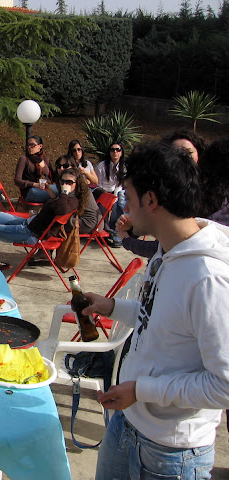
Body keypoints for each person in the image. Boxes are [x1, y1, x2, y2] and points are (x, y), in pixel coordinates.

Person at [82, 142, 229, 480]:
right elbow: (158, 318)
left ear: (151, 201)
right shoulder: (168, 250)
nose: (125, 209)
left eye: (130, 199)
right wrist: (112, 306)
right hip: (127, 424)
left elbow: (223, 385)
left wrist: (141, 390)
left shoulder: (208, 277)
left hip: (172, 452)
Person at [0, 166, 89, 267]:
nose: (65, 185)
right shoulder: (64, 198)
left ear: (77, 184)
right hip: (30, 222)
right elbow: (55, 207)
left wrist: (64, 192)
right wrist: (50, 194)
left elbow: (61, 209)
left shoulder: (72, 200)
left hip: (31, 233)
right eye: (62, 181)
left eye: (69, 182)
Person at [52, 155, 101, 234]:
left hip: (89, 223)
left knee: (53, 221)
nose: (61, 169)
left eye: (65, 166)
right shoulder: (68, 182)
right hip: (80, 218)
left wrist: (64, 192)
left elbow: (61, 209)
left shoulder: (76, 186)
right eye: (58, 166)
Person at [94, 142, 125, 247]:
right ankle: (105, 231)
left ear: (121, 153)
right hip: (102, 190)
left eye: (118, 150)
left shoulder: (123, 167)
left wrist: (114, 195)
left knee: (118, 203)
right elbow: (98, 183)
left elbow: (120, 184)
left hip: (116, 191)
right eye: (112, 150)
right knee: (105, 203)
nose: (115, 152)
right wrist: (107, 194)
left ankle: (115, 231)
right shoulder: (102, 166)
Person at [14, 135, 52, 204]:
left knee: (58, 191)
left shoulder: (45, 160)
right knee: (56, 193)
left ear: (40, 146)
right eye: (28, 145)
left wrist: (41, 162)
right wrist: (34, 184)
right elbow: (17, 180)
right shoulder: (24, 159)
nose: (29, 147)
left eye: (32, 145)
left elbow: (49, 175)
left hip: (44, 188)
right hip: (30, 191)